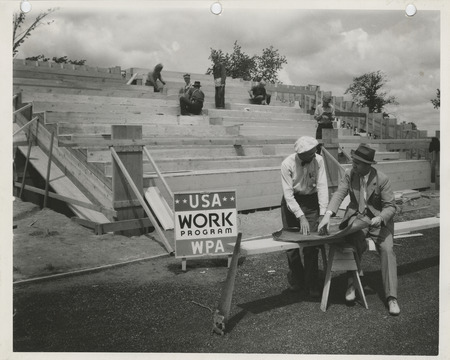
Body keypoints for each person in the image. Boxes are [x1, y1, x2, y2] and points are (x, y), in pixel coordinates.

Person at [318, 144, 400, 316]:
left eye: (357, 163)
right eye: (353, 161)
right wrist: (327, 214)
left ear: (368, 165)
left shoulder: (382, 179)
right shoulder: (349, 174)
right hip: (357, 219)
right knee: (353, 244)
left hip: (378, 222)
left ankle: (392, 297)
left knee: (387, 250)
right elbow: (339, 194)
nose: (353, 165)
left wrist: (380, 218)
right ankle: (351, 284)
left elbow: (391, 207)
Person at [281, 136, 329, 297]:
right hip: (292, 202)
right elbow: (288, 195)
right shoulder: (287, 164)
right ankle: (298, 279)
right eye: (310, 153)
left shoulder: (319, 160)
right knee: (291, 244)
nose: (314, 154)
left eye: (314, 151)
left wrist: (323, 214)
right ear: (301, 154)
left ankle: (312, 283)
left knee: (311, 244)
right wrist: (300, 216)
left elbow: (322, 186)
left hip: (311, 201)